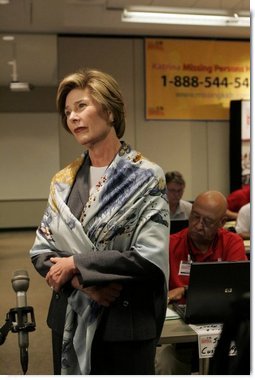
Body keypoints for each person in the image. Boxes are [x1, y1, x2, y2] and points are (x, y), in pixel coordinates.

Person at [29, 68, 170, 375]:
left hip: (124, 321)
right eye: (68, 112)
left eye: (81, 106)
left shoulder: (146, 176)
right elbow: (41, 251)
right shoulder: (63, 181)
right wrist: (82, 282)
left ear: (109, 109)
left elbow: (149, 257)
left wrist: (76, 263)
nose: (72, 117)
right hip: (69, 315)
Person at [155, 190, 247, 375]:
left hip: (222, 329)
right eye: (195, 216)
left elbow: (238, 288)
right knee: (164, 361)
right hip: (178, 335)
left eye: (207, 222)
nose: (198, 225)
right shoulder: (170, 244)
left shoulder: (232, 243)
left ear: (221, 223)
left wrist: (185, 290)